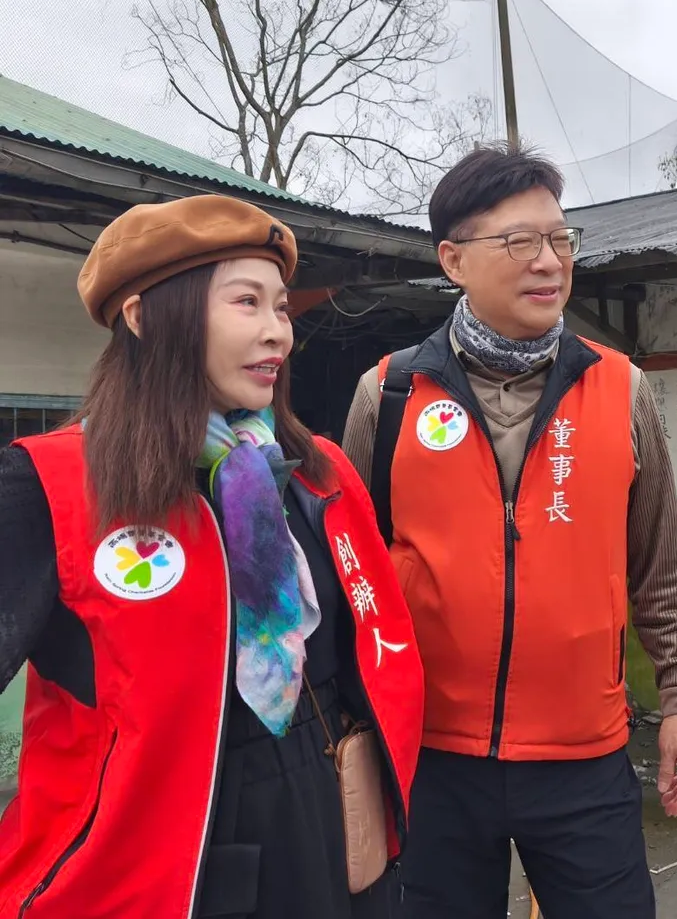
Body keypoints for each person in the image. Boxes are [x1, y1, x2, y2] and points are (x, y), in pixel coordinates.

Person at [0, 195, 424, 918]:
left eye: (282, 308)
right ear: (142, 316)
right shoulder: (51, 487)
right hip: (168, 862)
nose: (277, 334)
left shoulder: (316, 472)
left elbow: (380, 654)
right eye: (246, 303)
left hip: (339, 839)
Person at [340, 142, 677, 919]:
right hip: (432, 758)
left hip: (584, 758)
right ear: (454, 259)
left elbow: (661, 565)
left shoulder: (622, 389)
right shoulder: (391, 393)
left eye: (560, 240)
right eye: (520, 242)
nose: (549, 262)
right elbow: (356, 576)